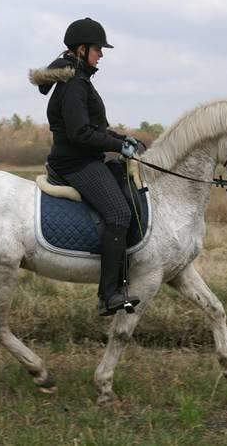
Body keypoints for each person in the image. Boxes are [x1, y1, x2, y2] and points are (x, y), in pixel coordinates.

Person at [30, 17, 144, 316]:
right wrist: (118, 146)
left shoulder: (79, 80)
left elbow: (95, 128)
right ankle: (109, 295)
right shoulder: (75, 85)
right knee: (118, 213)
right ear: (81, 50)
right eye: (97, 49)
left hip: (84, 158)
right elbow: (81, 133)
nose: (101, 55)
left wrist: (121, 138)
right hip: (74, 162)